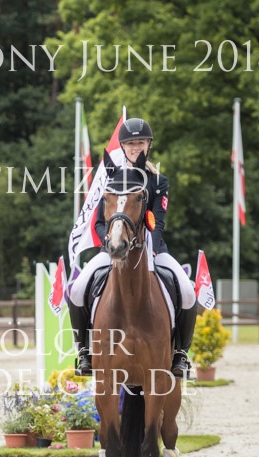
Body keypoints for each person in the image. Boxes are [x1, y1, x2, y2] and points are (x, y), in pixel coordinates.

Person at [67, 117, 197, 377]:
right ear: (123, 147)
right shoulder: (111, 177)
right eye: (131, 143)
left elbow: (158, 221)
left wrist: (153, 249)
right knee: (78, 289)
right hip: (113, 246)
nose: (136, 147)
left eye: (141, 143)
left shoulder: (158, 180)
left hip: (151, 247)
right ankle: (84, 351)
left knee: (187, 290)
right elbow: (100, 222)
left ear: (149, 145)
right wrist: (108, 242)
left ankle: (180, 353)